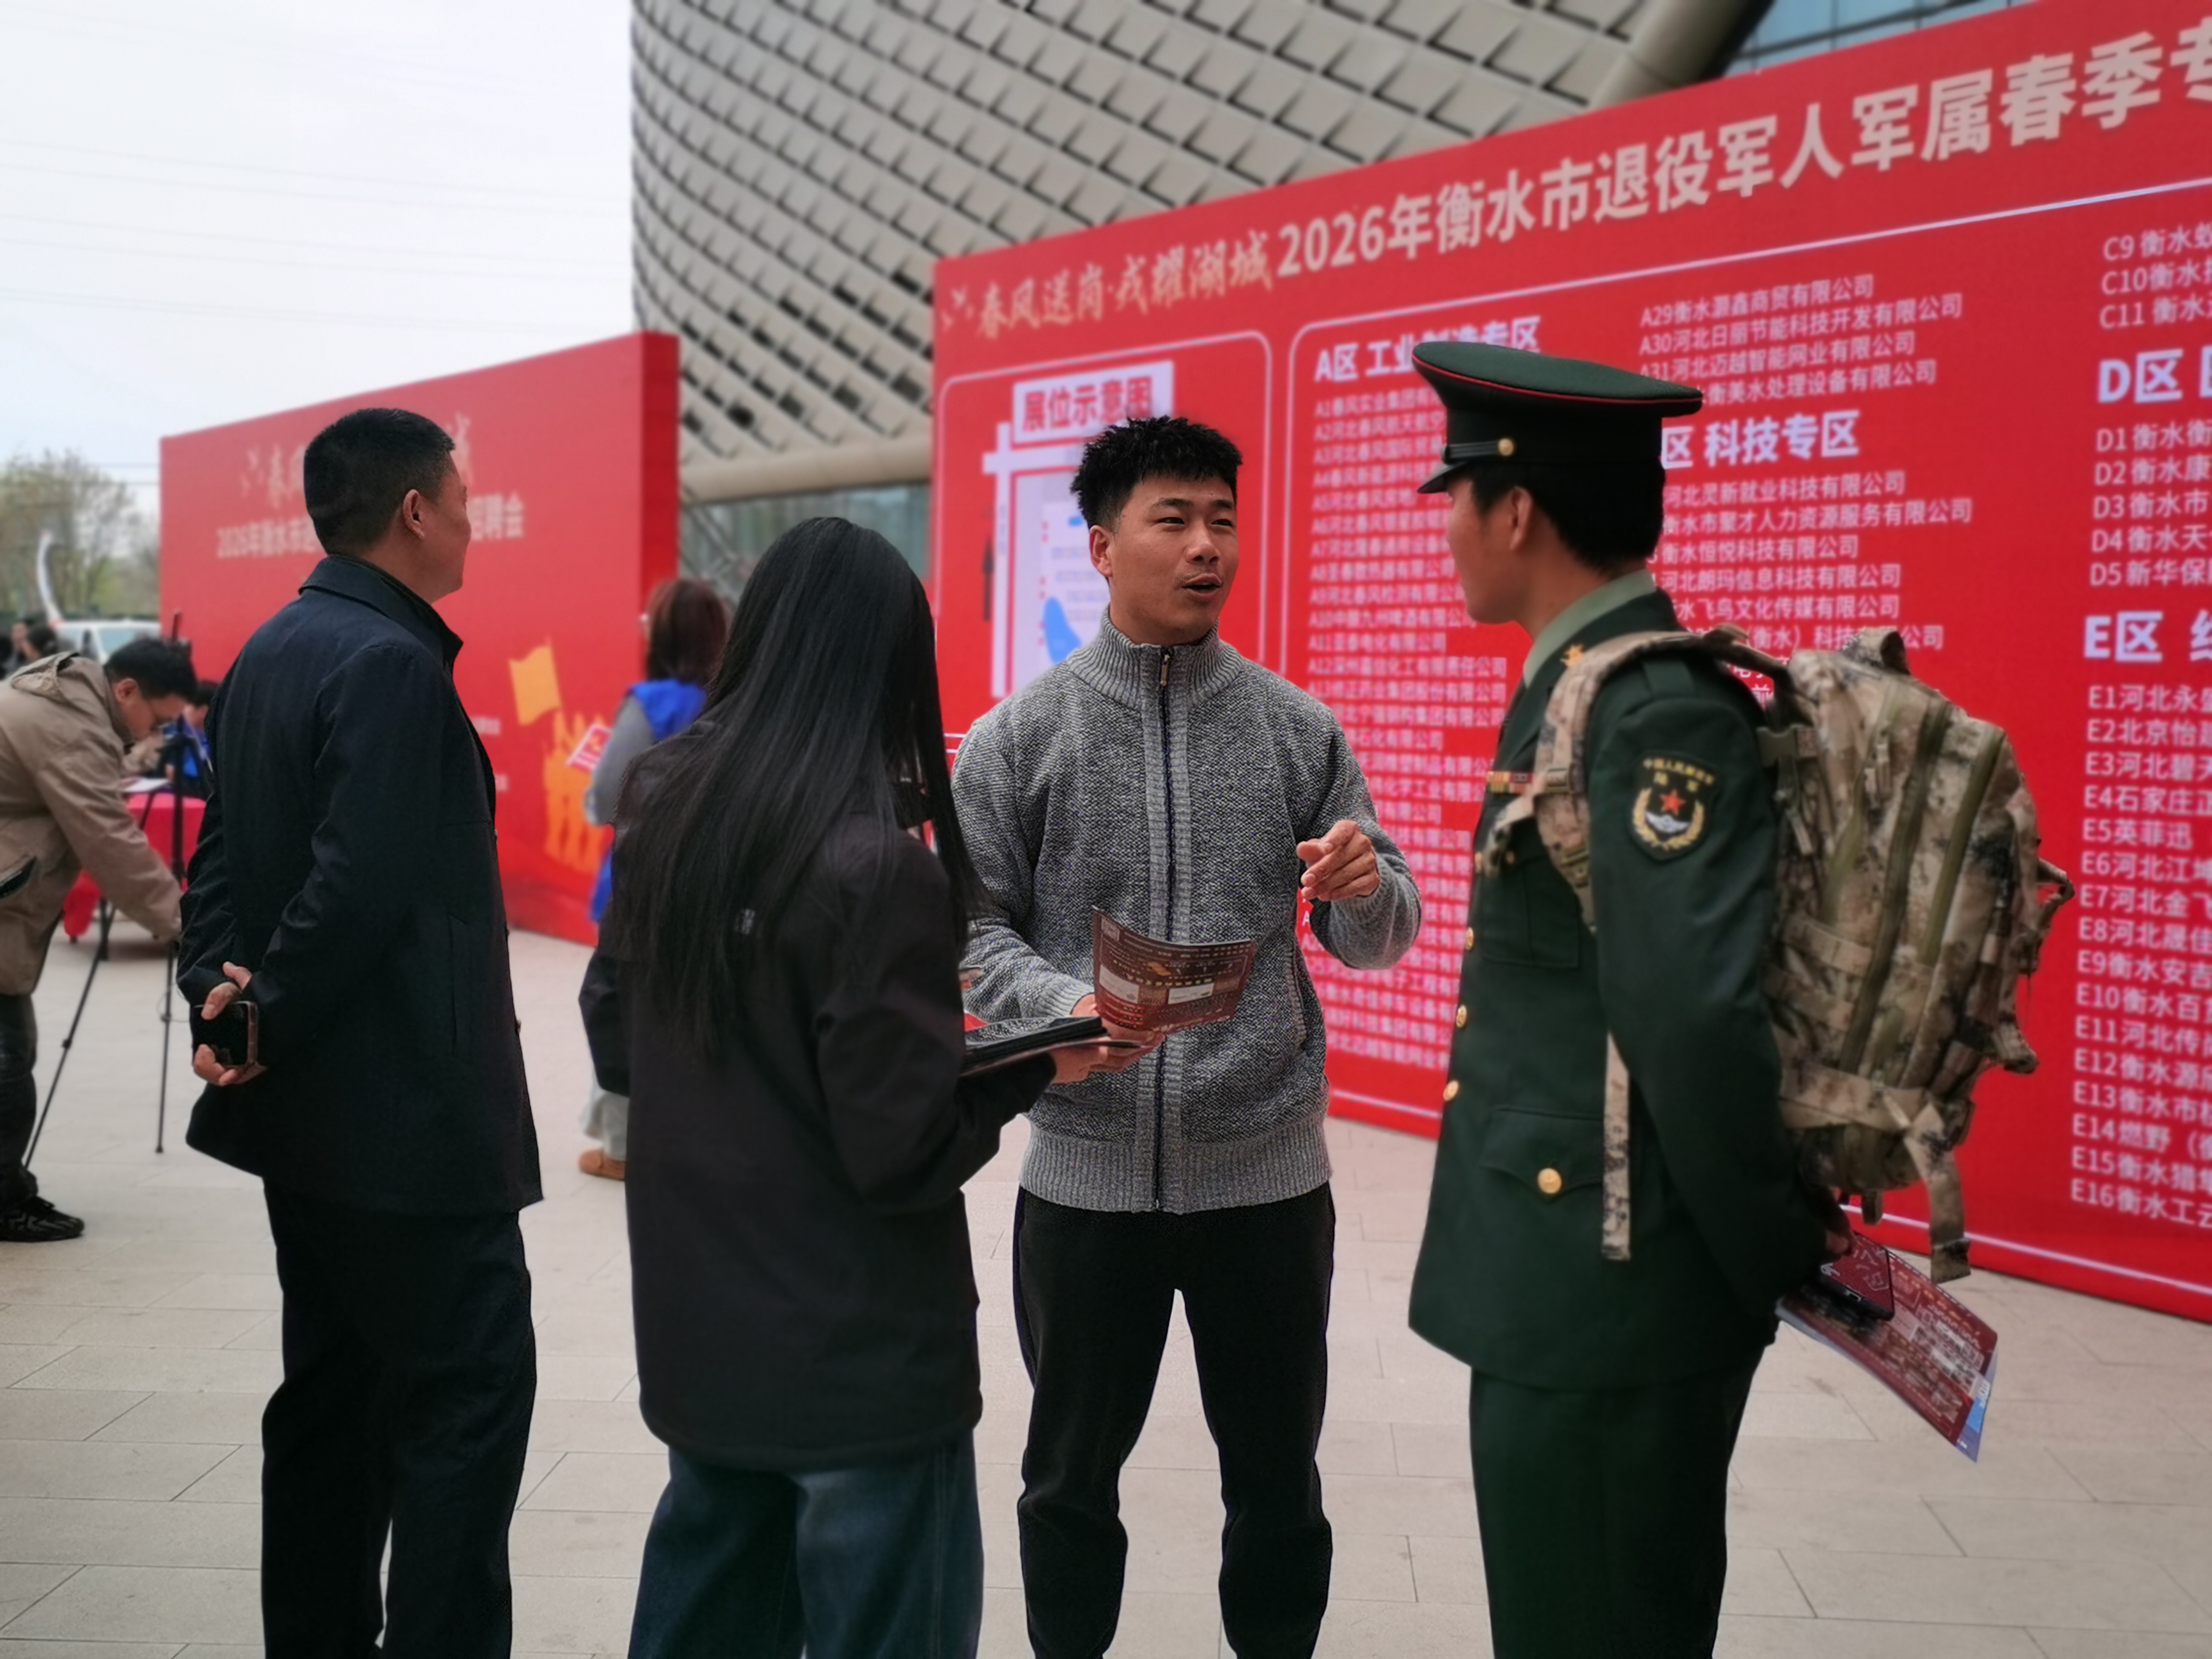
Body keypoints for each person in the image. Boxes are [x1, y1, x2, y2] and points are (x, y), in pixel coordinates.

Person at [580, 517, 1130, 1658]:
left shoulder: (665, 811)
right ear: (889, 664)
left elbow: (615, 1031)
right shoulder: (876, 867)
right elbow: (902, 1149)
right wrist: (1031, 1065)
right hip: (861, 1371)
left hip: (701, 1342)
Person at [1401, 341, 1847, 1659]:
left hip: (1613, 1293)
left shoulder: (1652, 709)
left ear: (1515, 510)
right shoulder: (1579, 684)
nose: (1449, 530)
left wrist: (1777, 1251)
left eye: (1456, 497)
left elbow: (1690, 1017)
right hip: (1566, 1278)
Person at [954, 415, 1423, 1659]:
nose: (1206, 546)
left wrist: (1366, 887)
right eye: (1173, 520)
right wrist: (1063, 1006)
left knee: (1277, 1486)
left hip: (1265, 1183)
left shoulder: (1295, 729)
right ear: (1103, 546)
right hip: (1084, 1179)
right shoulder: (1020, 736)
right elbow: (968, 928)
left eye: (1222, 520)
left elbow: (1378, 934)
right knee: (1066, 1485)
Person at [179, 407, 538, 1658]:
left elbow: (221, 858)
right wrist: (261, 1007)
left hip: (312, 1126)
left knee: (332, 1404)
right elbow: (358, 884)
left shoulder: (276, 646)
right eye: (465, 498)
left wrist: (222, 1000)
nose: (474, 521)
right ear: (416, 511)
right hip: (411, 1128)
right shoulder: (389, 663)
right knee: (463, 1410)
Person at [0, 634, 196, 1242]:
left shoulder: (67, 699)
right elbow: (110, 842)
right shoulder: (70, 729)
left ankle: (9, 1190)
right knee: (7, 1057)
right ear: (127, 690)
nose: (154, 736)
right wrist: (189, 926)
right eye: (156, 722)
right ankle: (4, 1201)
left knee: (12, 1050)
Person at [576, 576, 729, 1182]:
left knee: (616, 1013)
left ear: (660, 636)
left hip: (639, 892)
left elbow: (606, 798)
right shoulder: (734, 704)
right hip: (710, 891)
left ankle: (622, 1149)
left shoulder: (651, 704)